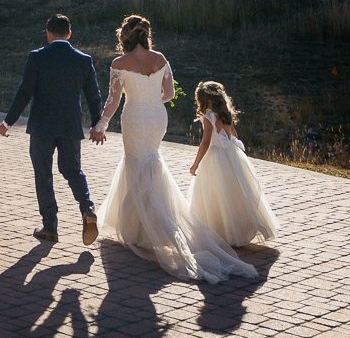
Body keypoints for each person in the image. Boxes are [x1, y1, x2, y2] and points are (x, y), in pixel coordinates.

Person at [92, 15, 256, 283]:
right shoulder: (161, 59)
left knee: (137, 163)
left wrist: (101, 124)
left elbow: (113, 100)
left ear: (125, 36)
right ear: (146, 34)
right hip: (157, 117)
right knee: (151, 161)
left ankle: (142, 229)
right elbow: (168, 94)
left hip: (134, 116)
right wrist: (151, 99)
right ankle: (149, 225)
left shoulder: (119, 63)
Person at [0, 13, 103, 245]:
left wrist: (8, 121)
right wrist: (98, 124)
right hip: (70, 124)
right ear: (69, 33)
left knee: (43, 174)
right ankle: (87, 208)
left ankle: (50, 226)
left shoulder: (37, 57)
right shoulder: (84, 60)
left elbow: (24, 91)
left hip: (42, 126)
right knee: (72, 170)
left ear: (48, 33)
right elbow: (94, 97)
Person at [188, 80, 281, 246]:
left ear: (204, 98)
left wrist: (196, 164)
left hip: (215, 158)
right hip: (231, 155)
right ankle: (236, 230)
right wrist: (235, 154)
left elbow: (206, 142)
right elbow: (233, 135)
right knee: (235, 192)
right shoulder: (226, 113)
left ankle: (220, 232)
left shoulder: (209, 116)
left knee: (216, 194)